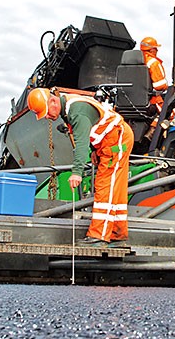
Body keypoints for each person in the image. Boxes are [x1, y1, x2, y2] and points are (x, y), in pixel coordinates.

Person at [27, 87, 132, 247]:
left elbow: (81, 143)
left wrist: (77, 172)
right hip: (112, 140)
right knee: (114, 189)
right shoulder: (70, 106)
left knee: (106, 186)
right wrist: (95, 151)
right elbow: (91, 131)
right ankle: (117, 234)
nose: (47, 117)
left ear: (53, 101)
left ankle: (99, 236)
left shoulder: (76, 111)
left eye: (47, 112)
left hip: (116, 141)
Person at [139, 37, 168, 111]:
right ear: (151, 50)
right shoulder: (153, 62)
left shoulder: (133, 61)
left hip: (130, 100)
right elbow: (159, 86)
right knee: (169, 114)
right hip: (150, 101)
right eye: (156, 48)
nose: (157, 50)